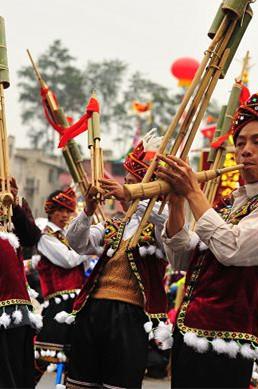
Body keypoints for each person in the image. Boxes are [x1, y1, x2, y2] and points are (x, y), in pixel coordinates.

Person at [159, 83, 258, 388]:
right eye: (240, 142)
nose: (244, 150)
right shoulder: (227, 206)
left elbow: (233, 249)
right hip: (192, 336)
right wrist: (176, 204)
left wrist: (193, 193)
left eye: (257, 142)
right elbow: (183, 258)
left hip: (232, 348)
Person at [65, 131, 170, 389]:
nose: (124, 189)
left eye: (133, 184)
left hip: (130, 317)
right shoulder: (114, 224)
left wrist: (132, 195)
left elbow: (172, 230)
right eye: (126, 182)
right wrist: (88, 211)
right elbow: (77, 243)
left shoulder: (161, 224)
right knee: (81, 382)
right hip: (92, 310)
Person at [34, 188, 87, 380]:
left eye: (68, 211)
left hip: (76, 304)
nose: (65, 215)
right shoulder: (45, 235)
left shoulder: (68, 235)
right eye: (60, 210)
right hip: (57, 305)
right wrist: (88, 247)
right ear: (50, 210)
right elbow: (68, 260)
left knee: (75, 360)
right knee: (43, 358)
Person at [0, 178, 42, 388]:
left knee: (16, 374)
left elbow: (31, 238)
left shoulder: (11, 199)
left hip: (16, 305)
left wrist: (15, 205)